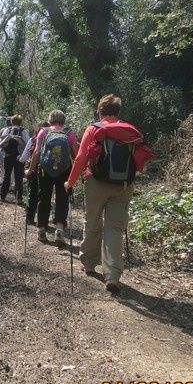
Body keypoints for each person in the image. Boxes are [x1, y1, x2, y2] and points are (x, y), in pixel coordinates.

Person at [65, 95, 154, 294]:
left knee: (93, 221)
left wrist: (69, 182)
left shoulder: (94, 129)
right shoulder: (131, 131)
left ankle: (89, 263)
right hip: (123, 184)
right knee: (114, 228)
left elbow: (81, 158)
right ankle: (112, 275)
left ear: (100, 111)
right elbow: (140, 160)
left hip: (96, 182)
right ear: (118, 111)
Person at [26, 110, 78, 247]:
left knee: (44, 197)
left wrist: (30, 169)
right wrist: (80, 172)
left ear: (50, 119)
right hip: (64, 170)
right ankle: (59, 229)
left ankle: (42, 228)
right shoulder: (69, 132)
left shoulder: (44, 131)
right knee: (62, 198)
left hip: (45, 170)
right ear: (63, 119)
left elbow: (37, 152)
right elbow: (76, 154)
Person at [22, 121, 49, 225]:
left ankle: (29, 218)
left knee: (32, 194)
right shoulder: (53, 139)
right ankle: (42, 222)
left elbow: (24, 157)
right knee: (45, 196)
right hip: (47, 171)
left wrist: (25, 166)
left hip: (33, 170)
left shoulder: (33, 140)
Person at [0, 115, 30, 203]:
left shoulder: (7, 130)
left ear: (11, 122)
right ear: (21, 122)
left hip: (8, 156)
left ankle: (2, 196)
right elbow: (27, 144)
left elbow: (1, 143)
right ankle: (18, 198)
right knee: (18, 177)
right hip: (19, 157)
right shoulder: (24, 131)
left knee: (6, 176)